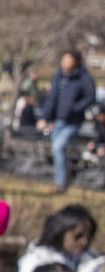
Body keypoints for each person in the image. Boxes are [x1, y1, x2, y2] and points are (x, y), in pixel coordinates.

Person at [16, 204, 101, 272]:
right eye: (78, 236)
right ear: (60, 231)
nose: (84, 241)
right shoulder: (35, 261)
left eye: (89, 236)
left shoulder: (92, 262)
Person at [38, 51, 97, 192]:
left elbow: (90, 98)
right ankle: (62, 180)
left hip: (73, 121)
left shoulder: (84, 77)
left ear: (76, 61)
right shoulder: (59, 76)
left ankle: (61, 183)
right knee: (57, 150)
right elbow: (52, 98)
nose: (65, 63)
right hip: (58, 120)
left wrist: (74, 108)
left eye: (68, 60)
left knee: (59, 148)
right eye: (64, 59)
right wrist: (44, 117)